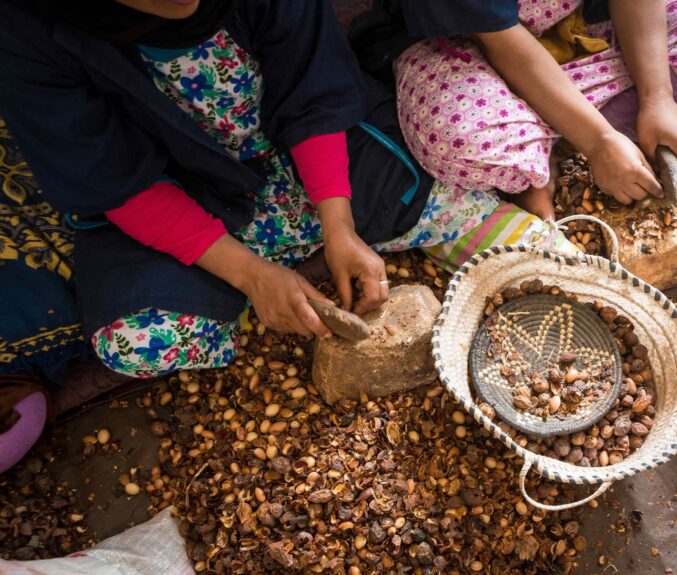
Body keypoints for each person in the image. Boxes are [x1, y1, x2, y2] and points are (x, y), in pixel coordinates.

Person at [0, 0, 578, 472]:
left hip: (297, 154)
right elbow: (115, 181)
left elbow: (314, 91)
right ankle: (272, 295)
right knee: (136, 338)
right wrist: (250, 274)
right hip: (189, 199)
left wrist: (339, 224)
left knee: (409, 191)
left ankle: (323, 262)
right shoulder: (30, 30)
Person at [352, 0, 677, 220]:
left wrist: (658, 96)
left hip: (576, 27)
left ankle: (542, 142)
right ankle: (548, 146)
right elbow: (502, 43)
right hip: (458, 49)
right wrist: (599, 141)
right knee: (459, 138)